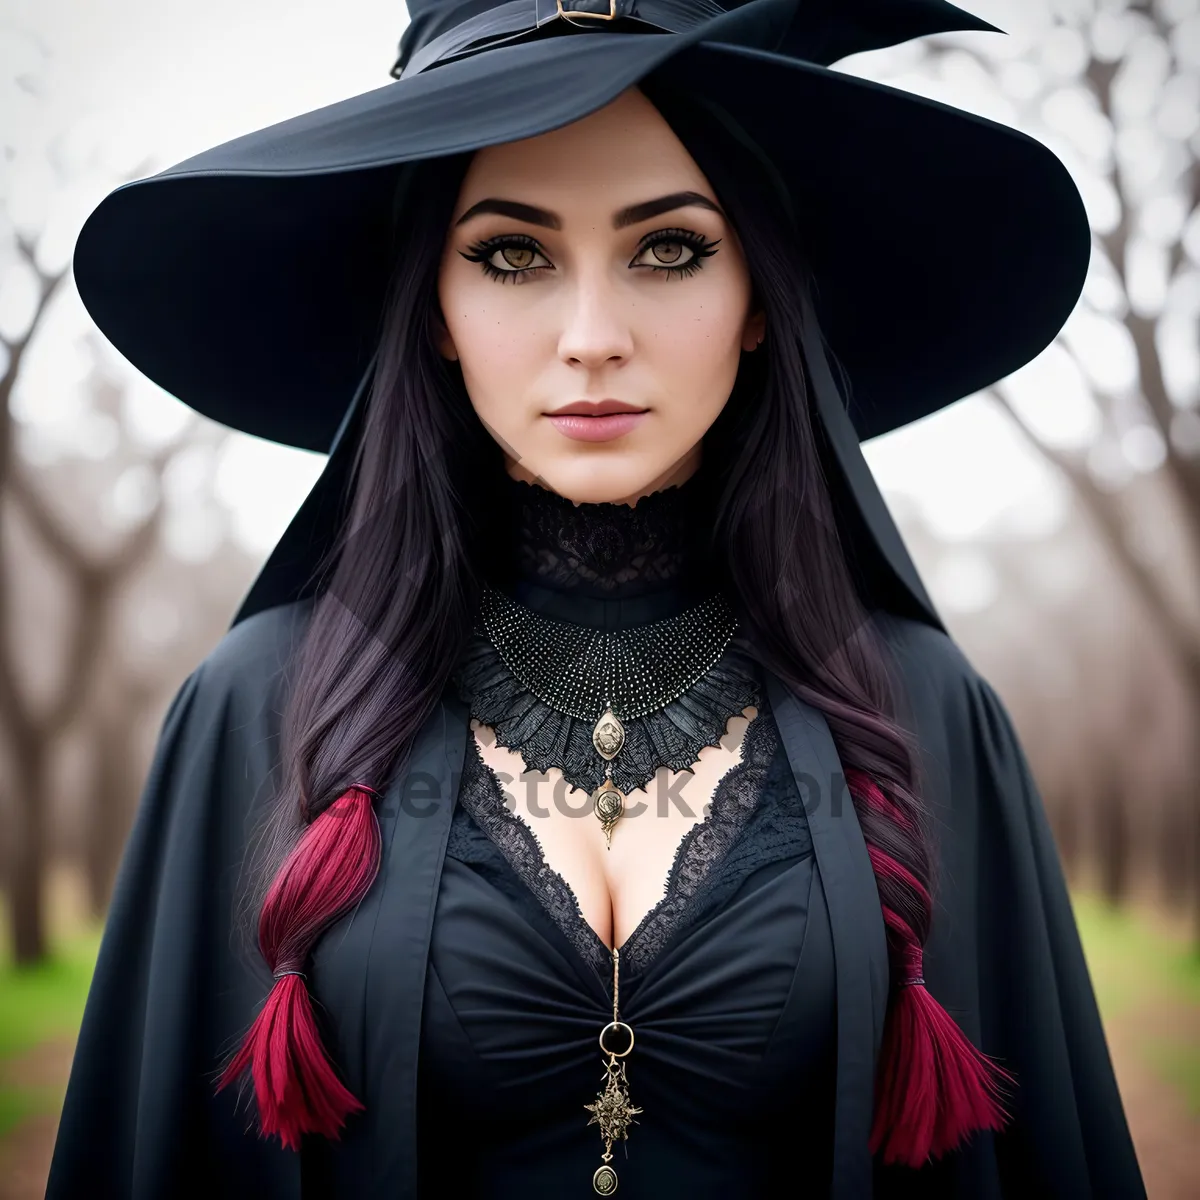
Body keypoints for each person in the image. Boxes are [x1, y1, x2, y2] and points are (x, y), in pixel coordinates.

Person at [46, 2, 1146, 1198]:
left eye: (668, 247)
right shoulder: (253, 708)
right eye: (511, 254)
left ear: (763, 298)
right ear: (435, 314)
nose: (590, 337)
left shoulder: (931, 714)